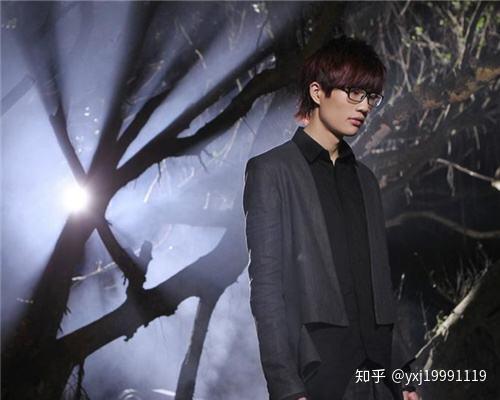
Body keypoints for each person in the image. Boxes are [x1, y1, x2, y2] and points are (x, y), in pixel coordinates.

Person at [243, 35, 419, 400]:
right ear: (317, 92)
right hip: (319, 372)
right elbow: (266, 289)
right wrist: (286, 388)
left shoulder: (365, 179)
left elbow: (379, 288)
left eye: (371, 96)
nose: (364, 106)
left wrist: (403, 374)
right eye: (353, 92)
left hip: (379, 376)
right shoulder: (272, 171)